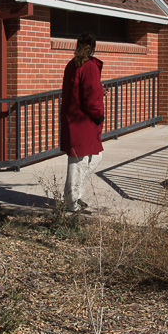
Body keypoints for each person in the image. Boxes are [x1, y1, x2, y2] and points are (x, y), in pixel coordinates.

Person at [60, 32, 104, 212]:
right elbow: (90, 97)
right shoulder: (89, 67)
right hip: (84, 120)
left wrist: (100, 92)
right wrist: (98, 115)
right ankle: (72, 201)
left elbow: (85, 91)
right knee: (79, 161)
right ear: (93, 48)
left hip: (74, 119)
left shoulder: (72, 65)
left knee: (90, 158)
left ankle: (72, 197)